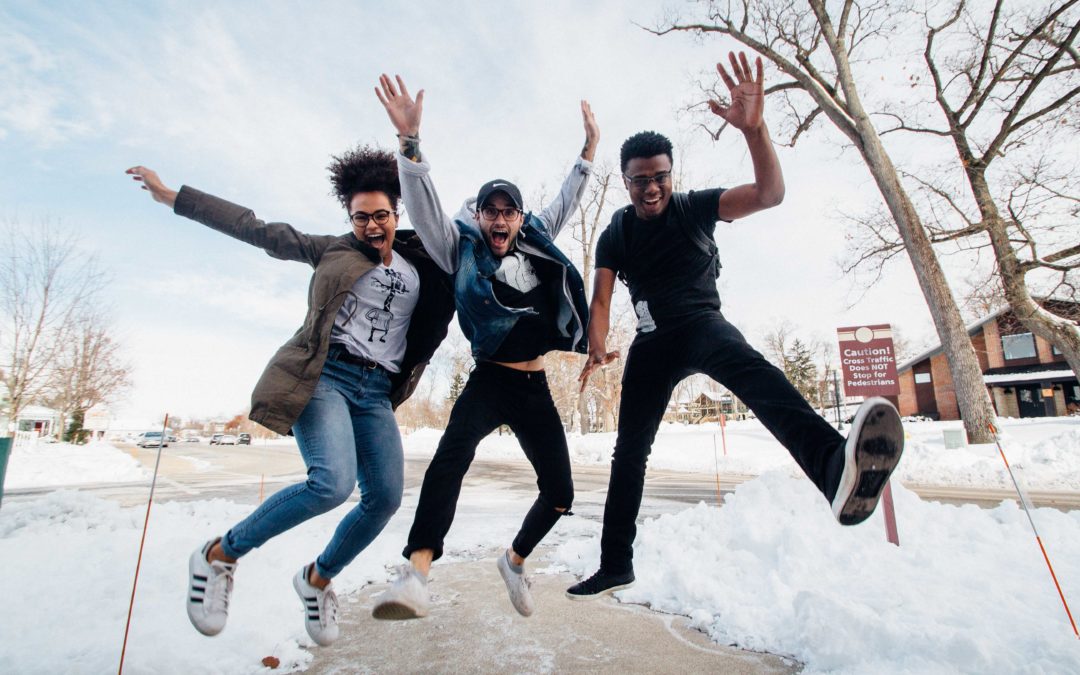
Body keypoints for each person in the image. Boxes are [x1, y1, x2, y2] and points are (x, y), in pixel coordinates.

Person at [568, 52, 905, 599]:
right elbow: (601, 297)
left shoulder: (696, 207)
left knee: (758, 377)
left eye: (659, 178)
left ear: (670, 175)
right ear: (624, 181)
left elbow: (769, 195)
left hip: (702, 324)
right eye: (639, 181)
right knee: (629, 451)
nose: (650, 189)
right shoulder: (617, 232)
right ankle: (615, 562)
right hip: (652, 345)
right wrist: (597, 345)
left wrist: (755, 130)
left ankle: (833, 468)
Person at [125, 147, 455, 645]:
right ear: (350, 218)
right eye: (360, 217)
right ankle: (219, 554)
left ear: (396, 214)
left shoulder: (422, 261)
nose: (371, 226)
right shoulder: (331, 250)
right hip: (323, 377)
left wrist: (412, 146)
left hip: (375, 393)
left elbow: (462, 246)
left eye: (380, 215)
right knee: (331, 483)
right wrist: (175, 197)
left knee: (384, 498)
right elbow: (254, 228)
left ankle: (316, 580)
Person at [369, 74, 598, 619]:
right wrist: (410, 147)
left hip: (534, 383)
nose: (499, 219)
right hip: (489, 378)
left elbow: (567, 200)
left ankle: (514, 560)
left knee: (561, 493)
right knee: (448, 462)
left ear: (519, 218)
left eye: (507, 212)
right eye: (490, 211)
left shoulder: (537, 238)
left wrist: (588, 151)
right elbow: (424, 211)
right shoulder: (460, 249)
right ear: (480, 217)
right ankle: (416, 573)